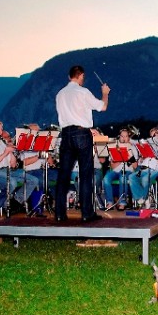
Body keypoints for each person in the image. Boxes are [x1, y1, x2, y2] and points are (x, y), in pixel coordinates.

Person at [54, 65, 110, 222]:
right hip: (81, 134)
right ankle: (87, 214)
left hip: (66, 134)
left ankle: (59, 214)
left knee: (63, 175)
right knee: (86, 175)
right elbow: (102, 107)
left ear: (69, 76)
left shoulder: (60, 94)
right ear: (81, 76)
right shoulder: (83, 92)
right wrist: (105, 94)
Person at [0, 120, 40, 213]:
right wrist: (6, 152)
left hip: (10, 170)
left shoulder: (3, 144)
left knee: (34, 180)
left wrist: (11, 152)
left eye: (1, 129)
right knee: (12, 183)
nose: (0, 131)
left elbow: (13, 164)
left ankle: (16, 202)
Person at [127, 127, 158, 208]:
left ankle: (144, 198)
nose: (153, 137)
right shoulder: (148, 144)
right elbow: (134, 142)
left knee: (145, 179)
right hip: (145, 168)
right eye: (151, 135)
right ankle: (141, 198)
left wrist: (155, 157)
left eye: (155, 134)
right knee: (131, 177)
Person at [102, 127, 138, 210]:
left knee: (123, 178)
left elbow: (135, 166)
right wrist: (120, 159)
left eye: (126, 136)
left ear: (128, 137)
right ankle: (110, 202)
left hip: (128, 171)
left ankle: (122, 202)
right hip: (116, 170)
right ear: (119, 137)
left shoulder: (133, 148)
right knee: (106, 178)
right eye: (122, 136)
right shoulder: (114, 148)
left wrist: (130, 155)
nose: (124, 138)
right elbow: (112, 166)